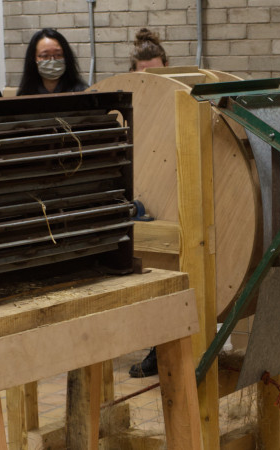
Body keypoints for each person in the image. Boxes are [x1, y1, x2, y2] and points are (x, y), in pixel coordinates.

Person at [127, 28, 168, 378]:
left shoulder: (180, 102)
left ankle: (164, 349)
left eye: (158, 73)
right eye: (144, 75)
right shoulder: (127, 109)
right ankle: (157, 346)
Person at [17, 28, 87, 95]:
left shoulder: (81, 92)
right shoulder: (26, 95)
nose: (52, 60)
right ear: (34, 58)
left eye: (58, 55)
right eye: (45, 56)